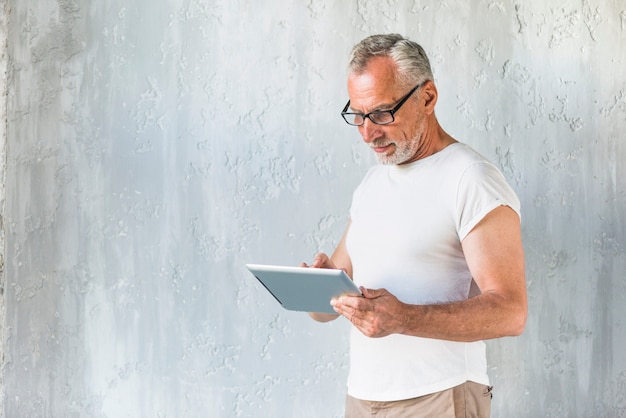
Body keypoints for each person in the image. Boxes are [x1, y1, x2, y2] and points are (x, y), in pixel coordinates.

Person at [302, 34, 527, 418]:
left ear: (427, 98)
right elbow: (326, 308)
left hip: (439, 398)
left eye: (382, 113)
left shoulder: (471, 178)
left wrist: (404, 317)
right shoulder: (372, 184)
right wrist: (318, 287)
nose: (367, 132)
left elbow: (511, 312)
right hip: (362, 398)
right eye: (357, 115)